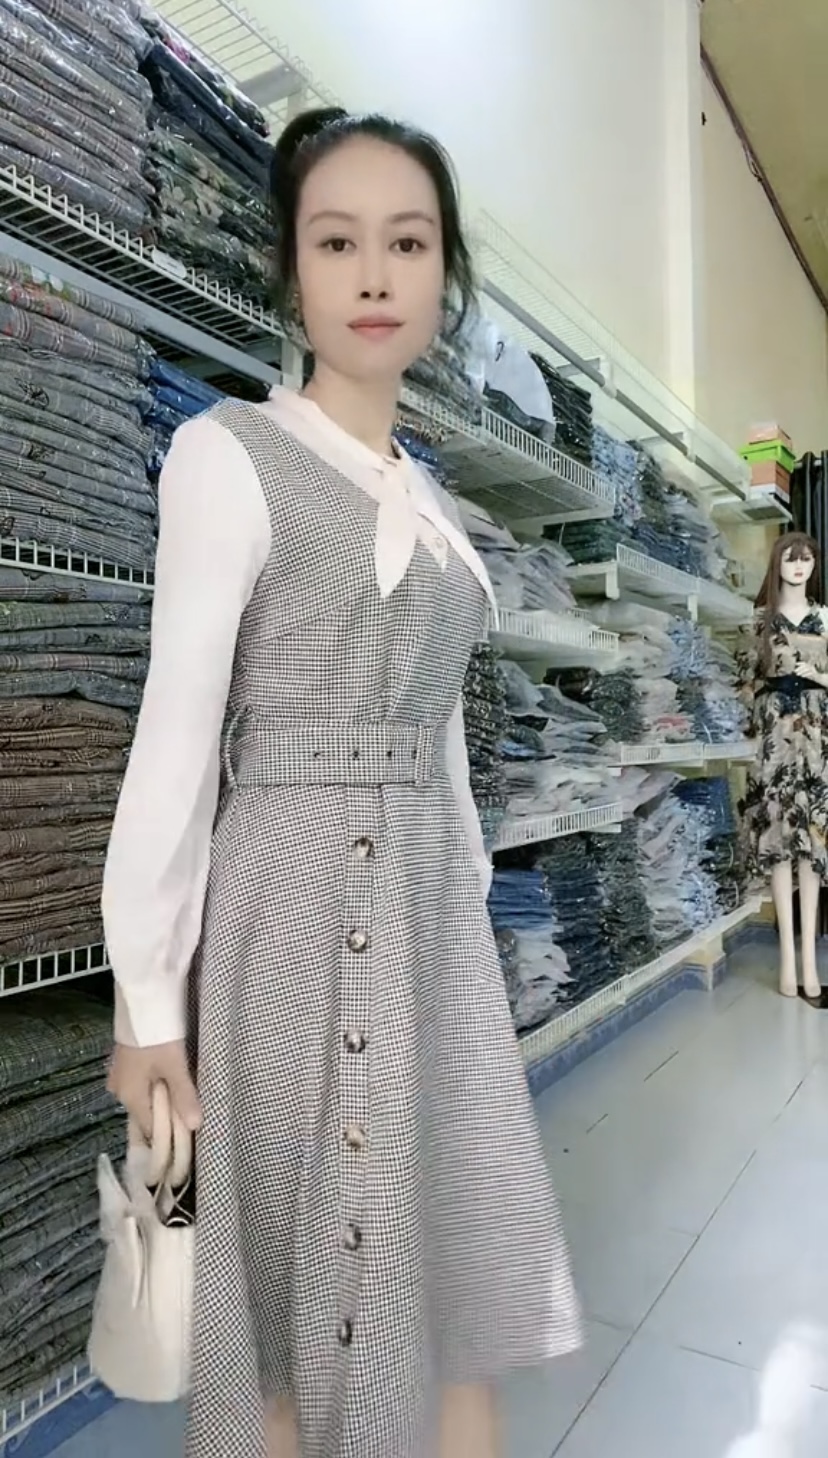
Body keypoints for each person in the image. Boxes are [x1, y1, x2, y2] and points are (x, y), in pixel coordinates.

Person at [104, 107, 580, 1458]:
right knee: (287, 1267)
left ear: (446, 277)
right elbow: (178, 731)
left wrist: (466, 901)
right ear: (292, 267)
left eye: (407, 244)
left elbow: (442, 739)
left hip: (430, 919)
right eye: (337, 241)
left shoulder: (433, 498)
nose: (374, 275)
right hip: (288, 899)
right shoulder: (228, 453)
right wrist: (149, 996)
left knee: (455, 1265)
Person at [737, 532, 828, 1003]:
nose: (799, 566)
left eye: (806, 559)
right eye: (791, 558)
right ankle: (788, 961)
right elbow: (743, 682)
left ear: (814, 565)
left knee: (811, 844)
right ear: (778, 564)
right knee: (778, 845)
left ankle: (810, 960)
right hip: (774, 740)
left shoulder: (825, 618)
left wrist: (819, 676)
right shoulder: (759, 620)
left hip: (816, 739)